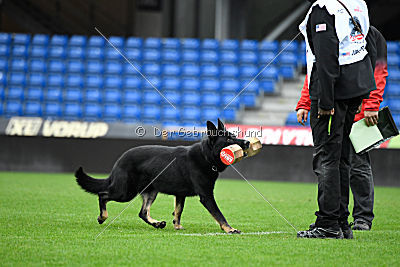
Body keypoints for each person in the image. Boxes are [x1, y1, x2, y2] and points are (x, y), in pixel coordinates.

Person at [296, 0, 376, 239]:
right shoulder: (359, 4)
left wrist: (325, 102)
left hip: (333, 92)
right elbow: (366, 45)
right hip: (355, 86)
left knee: (326, 159)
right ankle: (341, 222)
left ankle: (328, 223)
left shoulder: (324, 8)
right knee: (340, 157)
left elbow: (327, 56)